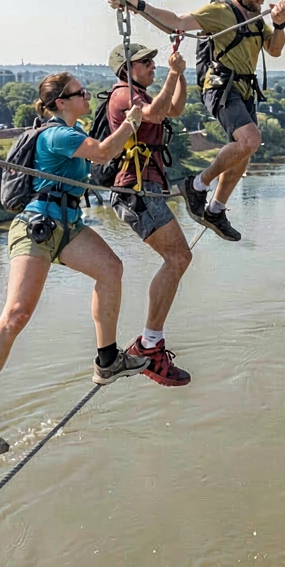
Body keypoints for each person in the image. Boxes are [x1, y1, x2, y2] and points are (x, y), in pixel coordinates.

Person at [0, 72, 151, 456]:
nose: (86, 97)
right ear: (61, 102)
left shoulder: (70, 133)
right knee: (16, 314)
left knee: (111, 269)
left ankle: (107, 359)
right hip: (37, 226)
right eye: (79, 93)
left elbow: (100, 154)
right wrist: (132, 122)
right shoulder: (56, 134)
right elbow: (105, 151)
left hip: (66, 225)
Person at [106, 0, 285, 241]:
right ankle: (196, 185)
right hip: (220, 87)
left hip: (243, 90)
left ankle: (215, 208)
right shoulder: (219, 11)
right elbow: (177, 22)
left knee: (245, 151)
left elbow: (274, 50)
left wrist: (279, 25)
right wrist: (135, 4)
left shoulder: (255, 17)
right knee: (250, 140)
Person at [104, 43, 194, 386]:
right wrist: (173, 72)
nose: (153, 65)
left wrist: (180, 77)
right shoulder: (124, 95)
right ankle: (149, 345)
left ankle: (151, 343)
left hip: (146, 188)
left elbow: (173, 108)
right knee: (178, 258)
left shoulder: (138, 94)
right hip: (136, 189)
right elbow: (155, 115)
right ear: (127, 68)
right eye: (146, 62)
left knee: (179, 258)